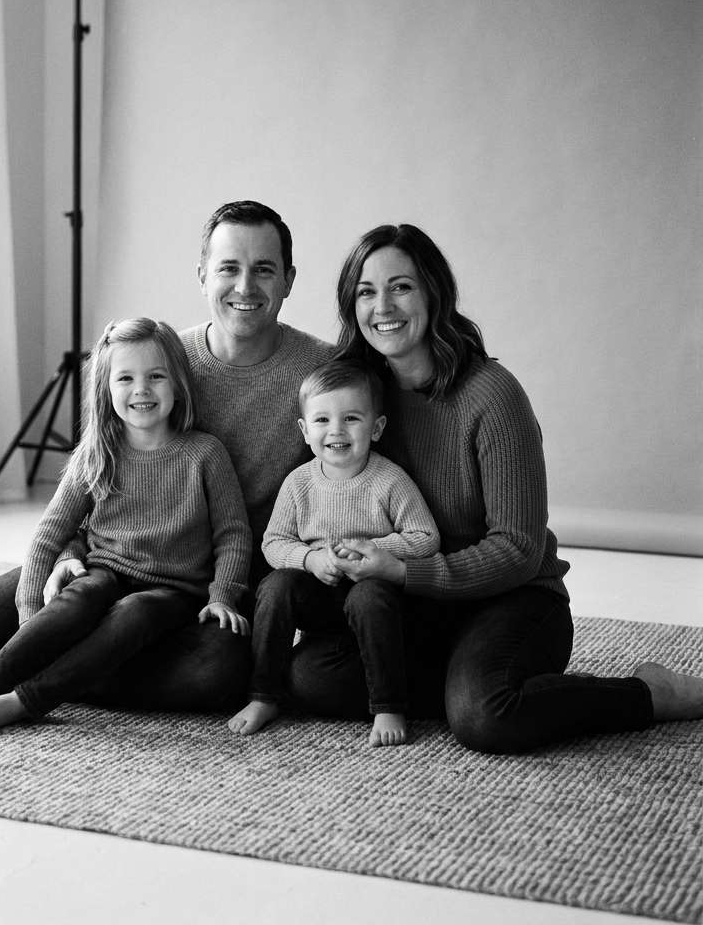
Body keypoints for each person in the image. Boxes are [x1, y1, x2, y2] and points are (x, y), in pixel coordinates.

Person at [0, 201, 333, 712]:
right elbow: (94, 477)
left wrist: (233, 592)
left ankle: (25, 674)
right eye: (229, 267)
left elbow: (338, 480)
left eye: (264, 269)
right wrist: (70, 556)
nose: (245, 287)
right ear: (203, 274)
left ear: (289, 279)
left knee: (214, 675)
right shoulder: (163, 360)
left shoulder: (321, 374)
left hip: (200, 588)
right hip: (104, 562)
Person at [285, 223, 703, 753]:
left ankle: (650, 693)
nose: (383, 305)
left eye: (401, 286)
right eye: (366, 291)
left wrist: (404, 569)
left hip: (513, 599)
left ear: (434, 292)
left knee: (485, 718)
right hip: (417, 604)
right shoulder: (352, 399)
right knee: (311, 677)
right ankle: (465, 680)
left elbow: (520, 550)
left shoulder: (491, 395)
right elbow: (322, 498)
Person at [0, 317, 250, 735]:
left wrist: (222, 595)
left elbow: (234, 535)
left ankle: (23, 701)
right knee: (84, 593)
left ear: (179, 383)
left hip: (173, 592)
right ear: (106, 388)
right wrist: (30, 618)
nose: (141, 390)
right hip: (104, 572)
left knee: (138, 612)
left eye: (156, 376)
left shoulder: (204, 454)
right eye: (126, 378)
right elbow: (48, 537)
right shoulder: (96, 454)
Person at [228, 358, 439, 747]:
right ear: (304, 430)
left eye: (352, 419)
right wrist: (310, 560)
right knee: (275, 587)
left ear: (376, 428)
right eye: (322, 420)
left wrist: (373, 550)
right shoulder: (299, 483)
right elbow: (274, 542)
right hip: (320, 592)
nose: (336, 431)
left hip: (374, 595)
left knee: (370, 595)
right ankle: (263, 695)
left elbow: (425, 536)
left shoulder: (389, 479)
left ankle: (388, 705)